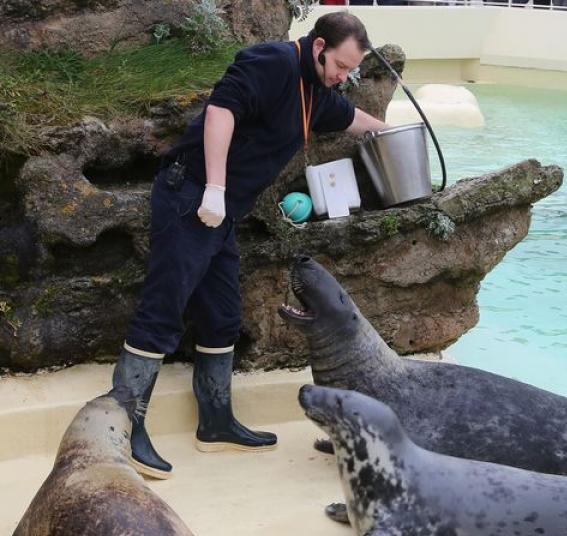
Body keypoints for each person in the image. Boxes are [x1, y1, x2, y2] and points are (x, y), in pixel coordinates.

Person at [106, 12, 388, 480]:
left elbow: (351, 117)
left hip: (224, 213)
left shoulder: (315, 91)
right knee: (162, 309)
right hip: (192, 196)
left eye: (350, 71)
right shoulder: (273, 62)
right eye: (340, 65)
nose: (343, 77)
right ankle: (120, 432)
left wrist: (393, 132)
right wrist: (214, 189)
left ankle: (215, 423)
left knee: (222, 316)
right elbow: (221, 111)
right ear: (318, 46)